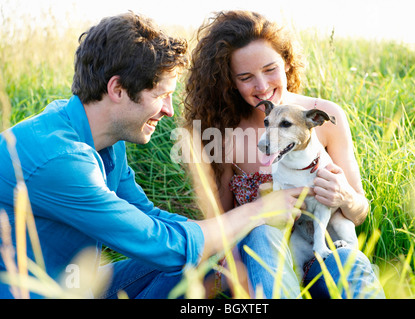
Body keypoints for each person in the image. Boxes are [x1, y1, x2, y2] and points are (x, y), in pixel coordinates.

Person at [0, 12, 303, 299]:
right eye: (160, 95)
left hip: (78, 282)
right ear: (117, 89)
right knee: (200, 247)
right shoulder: (61, 159)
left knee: (218, 250)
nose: (170, 111)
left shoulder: (103, 140)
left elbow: (149, 217)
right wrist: (256, 210)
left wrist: (232, 232)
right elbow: (162, 245)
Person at [183, 10, 385, 298]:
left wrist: (345, 197)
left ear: (287, 64)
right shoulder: (223, 133)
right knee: (262, 233)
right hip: (263, 262)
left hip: (325, 251)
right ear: (230, 81)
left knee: (348, 262)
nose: (262, 87)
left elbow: (360, 213)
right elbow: (222, 225)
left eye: (270, 69)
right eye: (245, 77)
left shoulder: (323, 116)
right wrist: (263, 209)